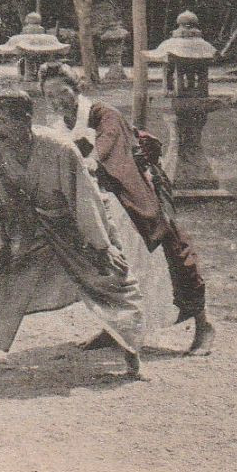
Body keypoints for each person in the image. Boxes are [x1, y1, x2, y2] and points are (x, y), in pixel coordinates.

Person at [38, 62, 215, 355]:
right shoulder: (59, 128)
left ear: (77, 89)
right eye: (50, 95)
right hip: (101, 203)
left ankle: (203, 326)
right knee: (110, 265)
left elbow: (109, 142)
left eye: (63, 92)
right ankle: (115, 327)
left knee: (170, 256)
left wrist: (92, 160)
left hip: (136, 195)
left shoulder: (103, 113)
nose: (57, 101)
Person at [0, 90, 146, 377]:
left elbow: (85, 200)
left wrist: (102, 246)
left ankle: (132, 358)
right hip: (28, 230)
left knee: (112, 278)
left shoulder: (60, 149)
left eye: (0, 123)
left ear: (25, 121)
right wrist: (3, 240)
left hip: (78, 227)